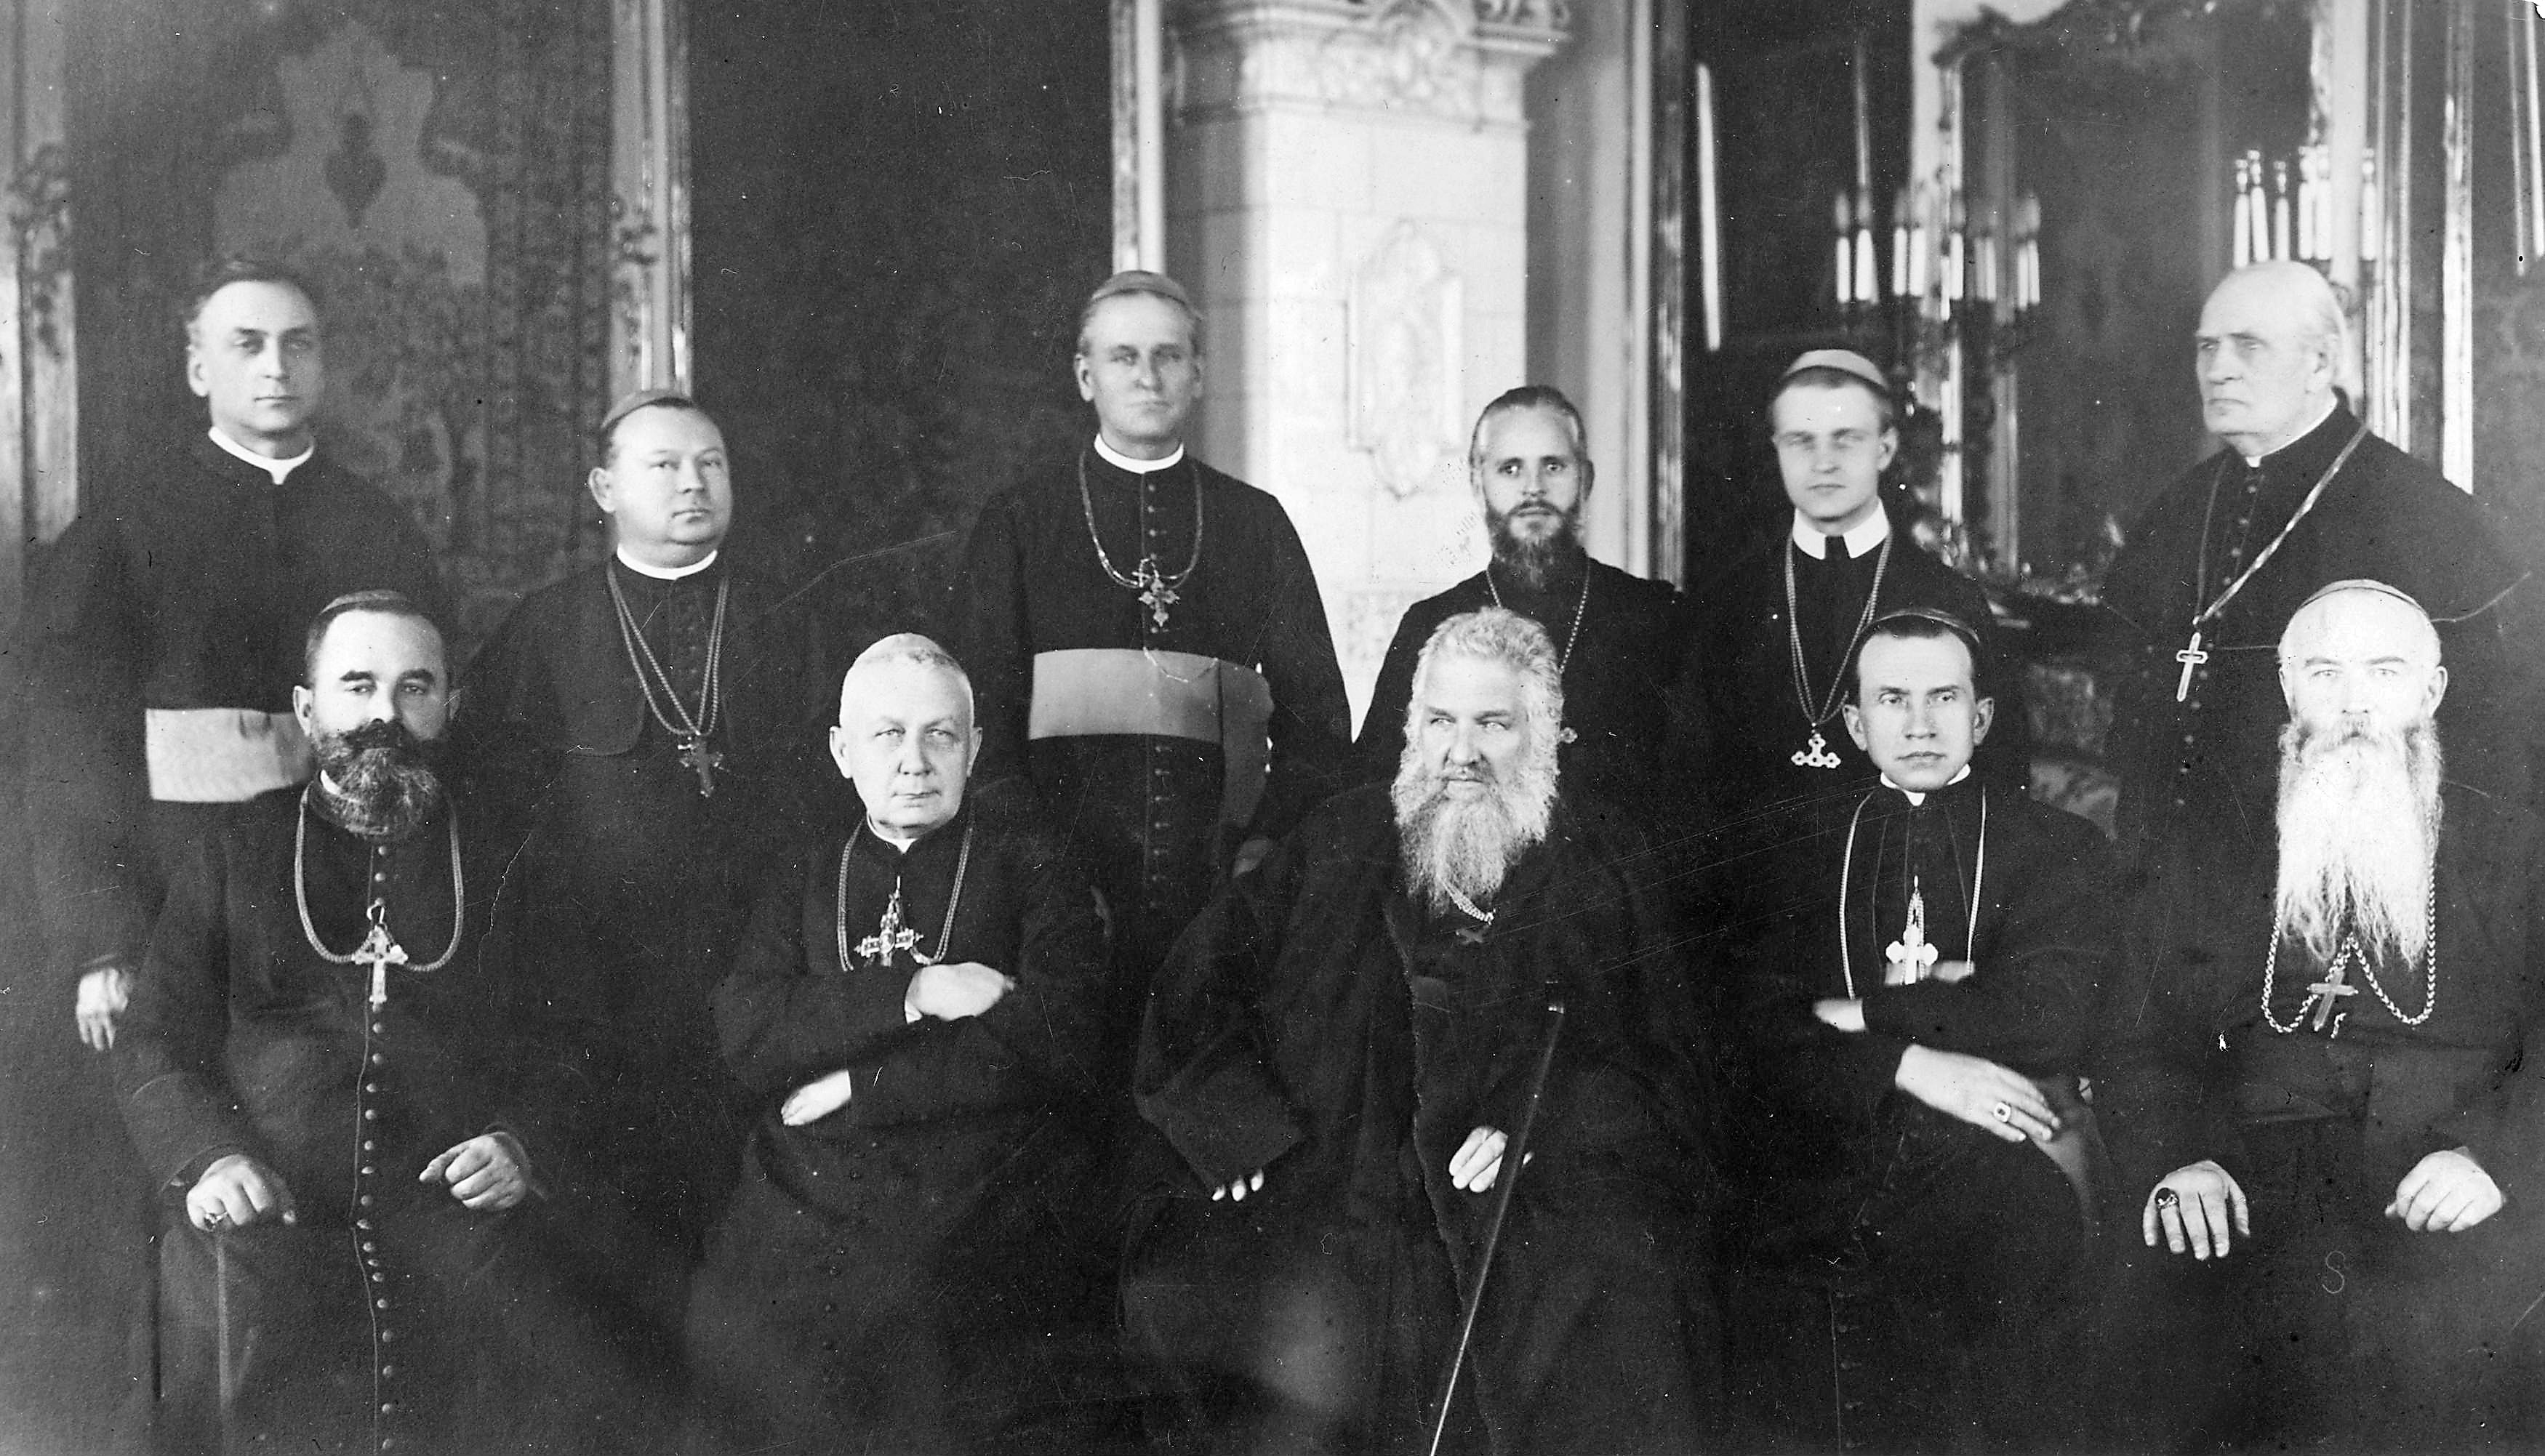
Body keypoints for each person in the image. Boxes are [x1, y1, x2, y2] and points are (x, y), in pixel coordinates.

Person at [1124, 608, 1717, 1454]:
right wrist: (1234, 1126)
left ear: (1543, 736)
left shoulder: (1601, 861)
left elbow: (1667, 1068)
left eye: (1492, 723)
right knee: (1203, 1289)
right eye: (1440, 721)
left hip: (1521, 1201)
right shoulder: (1341, 837)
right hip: (1333, 1172)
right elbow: (1191, 988)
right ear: (1413, 729)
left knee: (1611, 1310)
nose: (1461, 751)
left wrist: (1538, 1121)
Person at [452, 390, 840, 1407]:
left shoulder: (788, 621)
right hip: (595, 1011)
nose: (691, 483)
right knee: (608, 1292)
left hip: (753, 996)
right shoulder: (546, 629)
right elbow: (487, 824)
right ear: (603, 488)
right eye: (664, 464)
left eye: (710, 463)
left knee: (749, 1286)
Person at [2097, 581, 2545, 1451]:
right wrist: (2178, 1151)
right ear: (2284, 686)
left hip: (2445, 1174)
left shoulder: (2513, 847)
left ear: (2430, 692)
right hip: (2242, 1171)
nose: (2351, 703)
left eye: (2383, 670)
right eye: (2323, 670)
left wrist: (2496, 1155)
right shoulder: (2212, 842)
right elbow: (2133, 1032)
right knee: (2159, 1341)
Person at [113, 592, 528, 1454]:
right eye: (357, 684)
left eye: (415, 687)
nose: (386, 713)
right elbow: (155, 1036)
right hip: (273, 1211)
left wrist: (521, 1143)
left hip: (449, 1216)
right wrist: (210, 1156)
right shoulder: (238, 846)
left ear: (450, 704)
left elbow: (573, 1042)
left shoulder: (509, 857)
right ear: (307, 708)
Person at [681, 635, 1117, 1453]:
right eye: (887, 735)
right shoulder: (803, 875)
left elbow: (1063, 1040)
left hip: (980, 1176)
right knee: (736, 1309)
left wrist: (864, 1084)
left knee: (923, 1301)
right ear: (844, 752)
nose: (914, 762)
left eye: (940, 735)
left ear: (975, 747)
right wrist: (917, 990)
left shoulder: (1035, 867)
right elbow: (747, 1030)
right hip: (808, 1180)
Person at [25, 255, 451, 1055]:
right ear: (198, 367)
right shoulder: (124, 527)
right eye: (247, 344)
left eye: (298, 344)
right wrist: (102, 943)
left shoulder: (378, 526)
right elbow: (68, 747)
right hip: (166, 881)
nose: (276, 367)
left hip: (339, 882)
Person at [1717, 608, 2114, 1451]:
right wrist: (1911, 1062)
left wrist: (1863, 1012)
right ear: (1856, 724)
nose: (1920, 722)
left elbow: (2047, 1016)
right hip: (1837, 1135)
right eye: (1892, 699)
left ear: (1981, 717)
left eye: (1943, 697)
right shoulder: (1796, 852)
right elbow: (1751, 1029)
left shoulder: (2056, 845)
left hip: (2002, 1151)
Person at [955, 270, 1352, 1084]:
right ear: (1083, 375)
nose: (1147, 375)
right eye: (1124, 355)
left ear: (1198, 375)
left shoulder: (1255, 523)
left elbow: (1319, 724)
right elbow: (977, 729)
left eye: (1168, 356)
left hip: (1217, 896)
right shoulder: (1020, 521)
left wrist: (1258, 853)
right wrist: (1047, 873)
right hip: (1057, 897)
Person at [2099, 261, 2530, 890]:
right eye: (2207, 347)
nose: (2218, 369)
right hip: (2171, 881)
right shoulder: (2177, 509)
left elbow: (2485, 758)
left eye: (2249, 346)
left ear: (2321, 363)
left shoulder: (2421, 513)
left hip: (2333, 883)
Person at [1689, 350, 2024, 834]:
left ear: (1885, 449)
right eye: (1801, 441)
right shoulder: (1730, 601)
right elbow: (1693, 782)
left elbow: (2003, 771)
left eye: (1846, 440)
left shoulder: (1948, 596)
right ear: (1776, 448)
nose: (1824, 462)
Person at [1355, 385, 1696, 819]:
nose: (1533, 488)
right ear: (1478, 484)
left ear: (1585, 480)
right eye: (1510, 469)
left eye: (1553, 466)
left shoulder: (1658, 617)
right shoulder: (1430, 624)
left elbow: (1696, 798)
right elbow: (1371, 789)